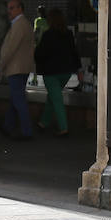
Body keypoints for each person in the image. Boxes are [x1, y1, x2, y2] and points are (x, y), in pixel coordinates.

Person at [34, 8, 81, 138]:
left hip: (51, 73)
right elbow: (74, 52)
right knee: (53, 97)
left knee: (56, 99)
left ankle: (63, 128)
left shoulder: (48, 35)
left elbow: (40, 54)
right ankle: (43, 123)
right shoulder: (69, 34)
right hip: (65, 72)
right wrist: (78, 69)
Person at [0, 0, 35, 140]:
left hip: (16, 68)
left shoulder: (20, 24)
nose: (9, 11)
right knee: (15, 99)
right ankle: (8, 126)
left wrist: (1, 66)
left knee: (18, 100)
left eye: (12, 8)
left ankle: (27, 131)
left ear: (20, 8)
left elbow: (11, 49)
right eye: (8, 8)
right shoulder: (21, 24)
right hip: (20, 67)